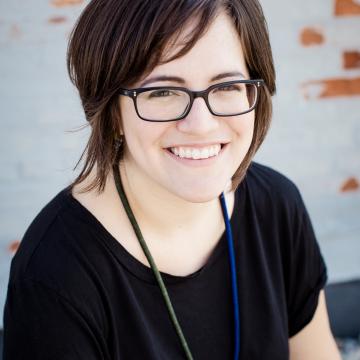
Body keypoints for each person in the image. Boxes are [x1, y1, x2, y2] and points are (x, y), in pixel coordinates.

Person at [3, 0, 342, 359]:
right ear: (112, 112)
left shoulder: (276, 206)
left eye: (227, 86)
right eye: (162, 92)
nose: (200, 124)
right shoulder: (56, 274)